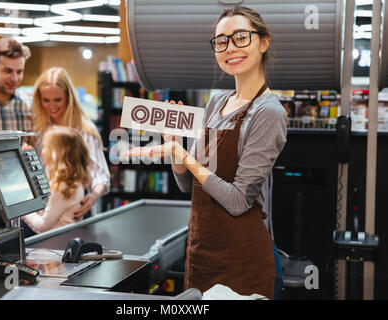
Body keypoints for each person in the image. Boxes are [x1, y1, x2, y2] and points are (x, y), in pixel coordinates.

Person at [123, 6, 287, 299]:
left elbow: (238, 201)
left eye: (240, 37)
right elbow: (188, 185)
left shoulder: (268, 112)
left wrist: (185, 156)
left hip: (242, 261)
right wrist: (175, 148)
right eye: (221, 41)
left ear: (263, 42)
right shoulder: (216, 103)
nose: (229, 48)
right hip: (202, 254)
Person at [31, 67, 110, 218]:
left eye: (58, 100)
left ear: (69, 96)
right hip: (44, 211)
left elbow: (100, 174)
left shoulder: (84, 130)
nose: (52, 106)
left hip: (74, 210)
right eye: (46, 100)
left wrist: (94, 196)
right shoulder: (39, 128)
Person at [21, 126, 90, 233]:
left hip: (55, 244)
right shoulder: (70, 179)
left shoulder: (62, 186)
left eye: (46, 147)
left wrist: (23, 209)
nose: (43, 152)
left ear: (57, 154)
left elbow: (42, 227)